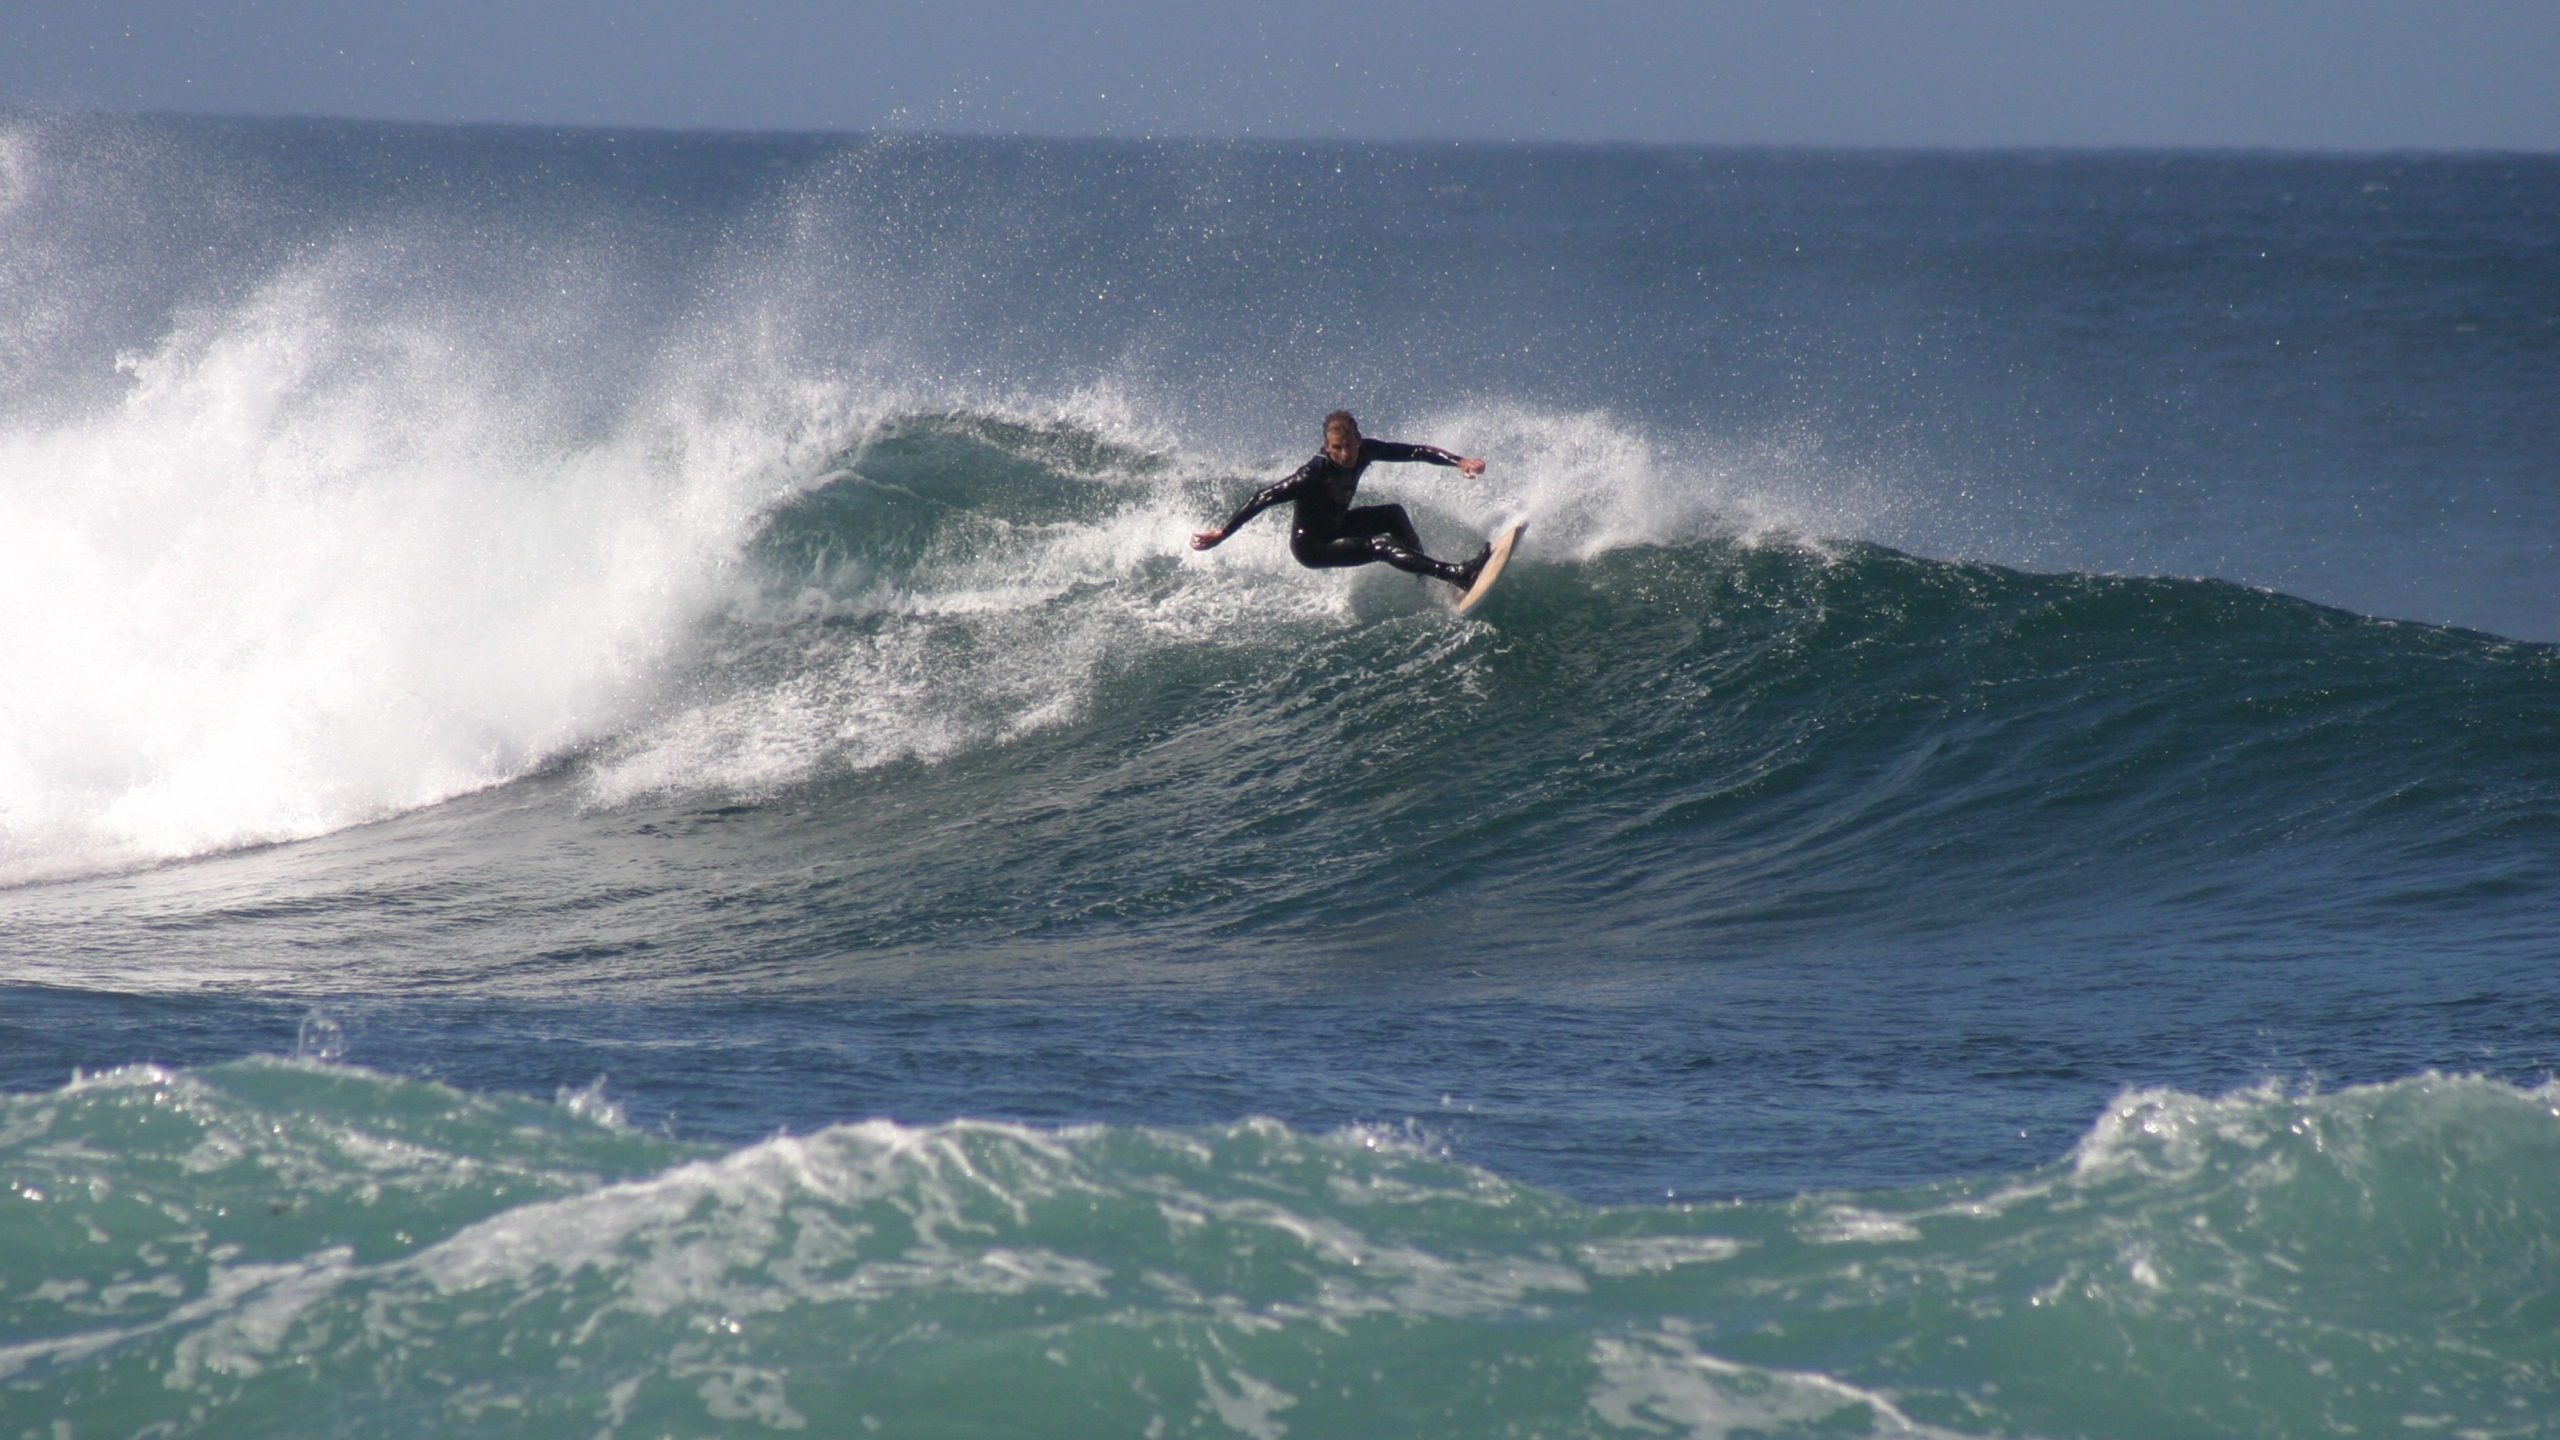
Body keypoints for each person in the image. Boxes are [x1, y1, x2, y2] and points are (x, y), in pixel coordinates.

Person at [1190, 411, 1493, 590]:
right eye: (1338, 448)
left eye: (1350, 445)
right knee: (1381, 545)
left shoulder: (1366, 450)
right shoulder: (1312, 474)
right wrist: (1223, 532)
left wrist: (1458, 461)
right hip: (1313, 547)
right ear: (1327, 447)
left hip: (1338, 525)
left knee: (1393, 515)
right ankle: (1455, 575)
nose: (1346, 454)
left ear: (1358, 440)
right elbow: (1264, 497)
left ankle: (1426, 580)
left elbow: (1414, 452)